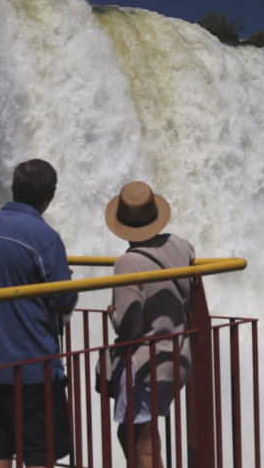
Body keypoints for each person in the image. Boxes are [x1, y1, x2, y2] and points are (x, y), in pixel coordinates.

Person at [0, 159, 76, 468]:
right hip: (34, 367)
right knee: (39, 454)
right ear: (50, 196)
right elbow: (63, 300)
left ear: (13, 187)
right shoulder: (45, 237)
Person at [104, 181, 194, 468]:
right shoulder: (179, 245)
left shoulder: (127, 263)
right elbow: (191, 256)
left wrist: (113, 314)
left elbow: (129, 326)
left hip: (145, 363)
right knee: (135, 433)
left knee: (142, 441)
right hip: (177, 356)